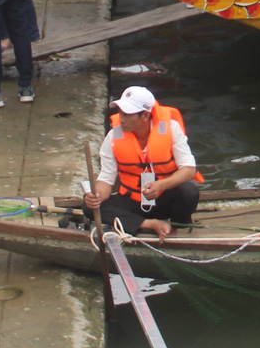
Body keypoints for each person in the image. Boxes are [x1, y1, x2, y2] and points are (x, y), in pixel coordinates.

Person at [83, 86, 201, 238]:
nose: (121, 119)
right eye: (120, 113)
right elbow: (106, 178)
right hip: (133, 202)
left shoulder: (171, 128)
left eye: (127, 115)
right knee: (88, 207)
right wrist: (96, 196)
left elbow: (189, 169)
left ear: (145, 115)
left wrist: (160, 186)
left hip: (163, 199)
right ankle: (147, 224)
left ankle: (175, 228)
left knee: (189, 192)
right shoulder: (113, 136)